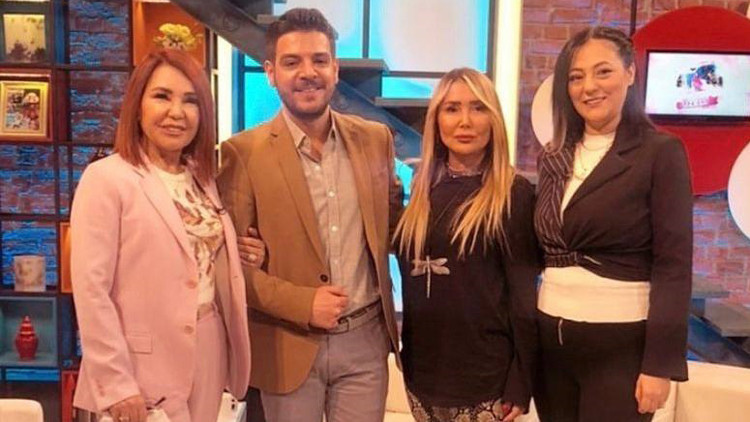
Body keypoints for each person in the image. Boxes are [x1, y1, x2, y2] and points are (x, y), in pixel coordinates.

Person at [216, 8, 403, 422]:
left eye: (319, 60)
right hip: (286, 344)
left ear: (335, 69)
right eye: (291, 62)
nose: (307, 73)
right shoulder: (243, 154)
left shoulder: (376, 141)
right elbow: (230, 273)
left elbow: (393, 230)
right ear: (270, 72)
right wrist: (304, 303)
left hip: (365, 343)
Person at [70, 49, 251, 422]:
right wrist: (116, 383)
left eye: (190, 101)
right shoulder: (107, 178)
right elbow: (91, 290)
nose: (176, 112)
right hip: (140, 364)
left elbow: (201, 257)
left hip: (208, 349)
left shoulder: (202, 178)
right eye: (162, 96)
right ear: (138, 107)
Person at [533, 26, 693, 422]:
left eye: (603, 71)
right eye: (576, 77)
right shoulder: (553, 157)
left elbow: (673, 265)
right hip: (550, 342)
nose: (589, 87)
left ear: (630, 73)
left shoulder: (660, 152)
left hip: (620, 346)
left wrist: (659, 364)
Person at [393, 68, 540, 422]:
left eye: (478, 108)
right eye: (452, 108)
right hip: (423, 375)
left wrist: (521, 381)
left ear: (493, 119)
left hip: (485, 380)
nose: (465, 121)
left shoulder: (513, 194)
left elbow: (524, 299)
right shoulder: (422, 192)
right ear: (436, 120)